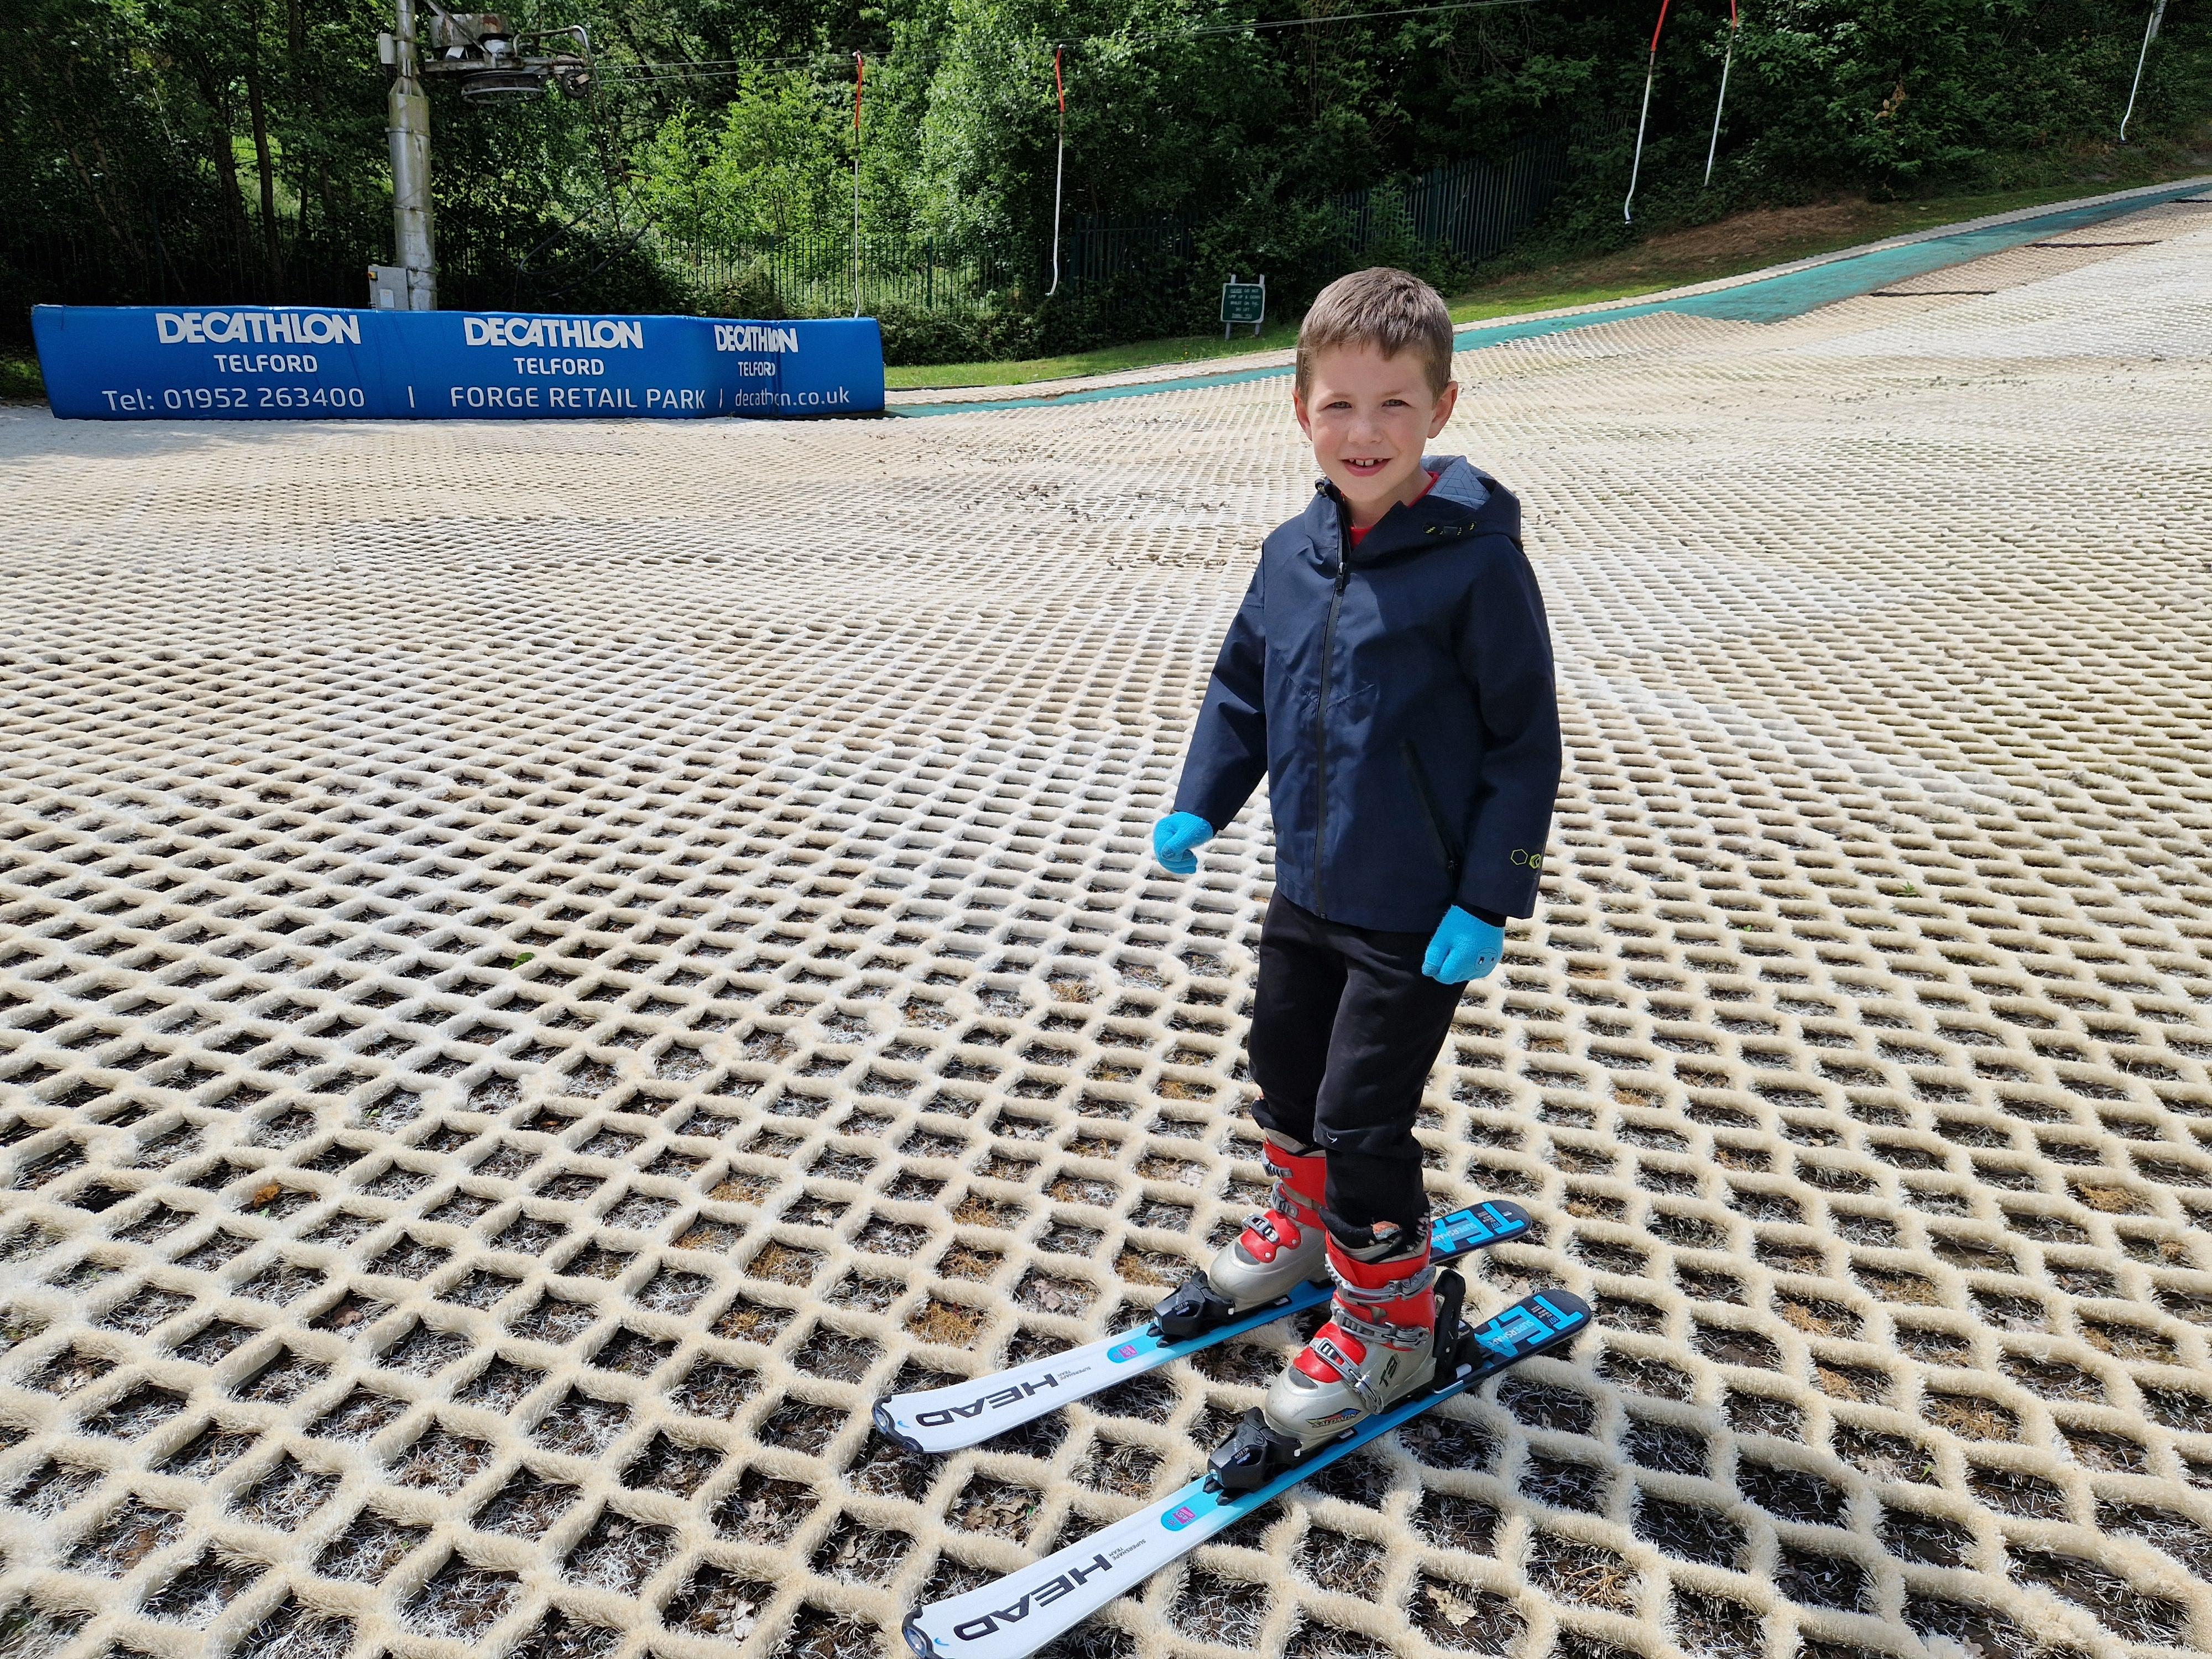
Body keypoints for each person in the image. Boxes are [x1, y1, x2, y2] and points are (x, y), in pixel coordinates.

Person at [1153, 265, 1561, 1453]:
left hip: (1416, 912)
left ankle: (1393, 1324)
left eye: (1393, 404)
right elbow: (1243, 688)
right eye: (1338, 404)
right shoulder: (1291, 552)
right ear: (1301, 410)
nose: (1363, 430)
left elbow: (1523, 742)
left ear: (1441, 408)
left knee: (1359, 1119)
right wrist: (1200, 802)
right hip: (1306, 888)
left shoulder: (1477, 563)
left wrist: (1489, 895)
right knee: (1283, 1075)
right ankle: (1302, 1230)